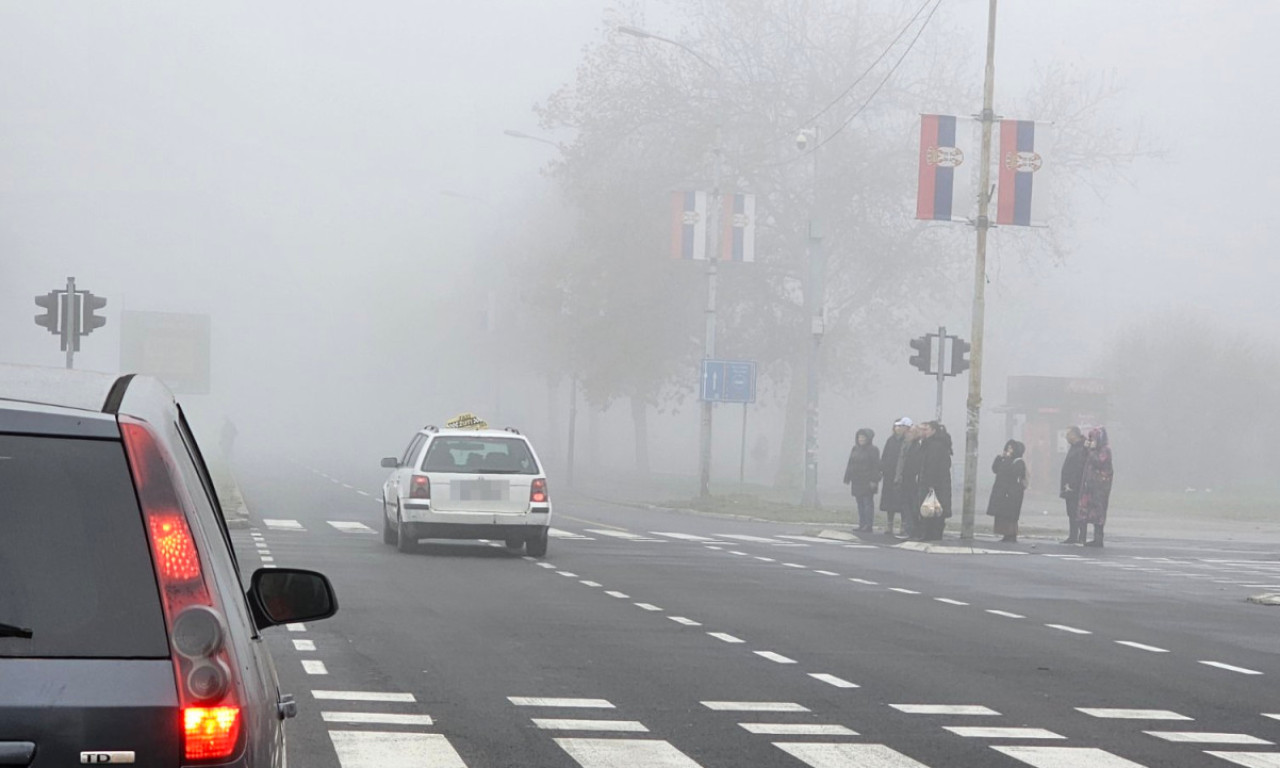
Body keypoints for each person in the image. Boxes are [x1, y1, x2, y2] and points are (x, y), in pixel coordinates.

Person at [914, 421, 953, 541]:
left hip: (934, 484)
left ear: (933, 431)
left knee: (932, 509)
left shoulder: (935, 446)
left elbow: (933, 466)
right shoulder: (929, 444)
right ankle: (930, 534)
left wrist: (931, 484)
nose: (924, 432)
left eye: (927, 429)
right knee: (931, 509)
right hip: (932, 483)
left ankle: (931, 535)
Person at [1078, 427, 1114, 547]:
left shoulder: (1105, 450)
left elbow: (1098, 462)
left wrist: (1091, 450)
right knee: (1085, 510)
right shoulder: (1092, 450)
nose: (1091, 440)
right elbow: (1084, 460)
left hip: (1100, 487)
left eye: (1093, 438)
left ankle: (1098, 538)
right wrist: (1085, 448)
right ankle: (1082, 536)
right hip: (1089, 486)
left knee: (1098, 511)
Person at [987, 439, 1028, 543]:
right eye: (1008, 448)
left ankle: (1011, 534)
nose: (1009, 450)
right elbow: (995, 469)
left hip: (1012, 493)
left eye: (1011, 448)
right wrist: (1001, 458)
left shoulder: (1018, 461)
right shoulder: (1004, 460)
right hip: (1002, 491)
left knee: (1010, 515)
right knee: (1002, 514)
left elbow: (1013, 473)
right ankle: (1005, 534)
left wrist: (1008, 460)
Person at [878, 418, 912, 535]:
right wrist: (882, 469)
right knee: (889, 501)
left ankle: (903, 525)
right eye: (896, 426)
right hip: (889, 475)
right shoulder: (890, 441)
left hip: (901, 476)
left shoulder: (907, 441)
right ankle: (889, 524)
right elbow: (885, 456)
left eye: (900, 426)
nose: (898, 429)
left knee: (902, 501)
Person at [843, 428, 881, 532]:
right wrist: (847, 477)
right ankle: (862, 523)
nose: (861, 439)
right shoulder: (855, 449)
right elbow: (850, 463)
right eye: (859, 437)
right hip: (857, 480)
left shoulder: (873, 450)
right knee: (859, 503)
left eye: (863, 437)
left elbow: (876, 466)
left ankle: (868, 525)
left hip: (868, 481)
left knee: (867, 503)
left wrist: (874, 480)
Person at [1059, 426, 1088, 544]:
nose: (1066, 437)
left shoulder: (1081, 448)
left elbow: (1078, 468)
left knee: (1078, 510)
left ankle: (1081, 535)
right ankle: (1073, 535)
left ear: (1074, 435)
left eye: (1068, 434)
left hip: (1075, 486)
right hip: (1069, 485)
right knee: (1071, 511)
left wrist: (1072, 484)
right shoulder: (1074, 448)